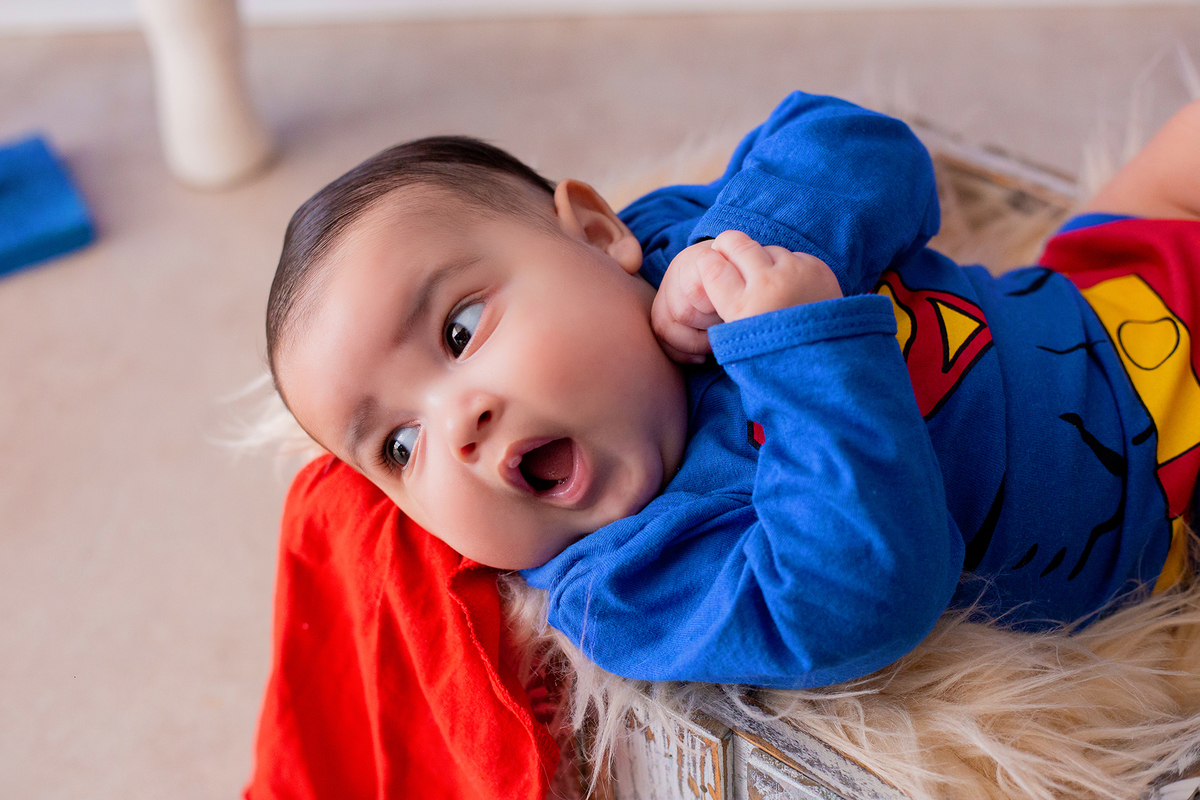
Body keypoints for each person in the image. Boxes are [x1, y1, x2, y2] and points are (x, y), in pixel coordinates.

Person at [266, 91, 1200, 690]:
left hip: (1103, 274)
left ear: (595, 238)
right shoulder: (629, 581)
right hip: (1163, 471)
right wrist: (798, 352)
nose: (454, 426)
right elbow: (862, 600)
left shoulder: (686, 242)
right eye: (397, 445)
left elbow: (861, 144)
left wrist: (760, 236)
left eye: (460, 331)